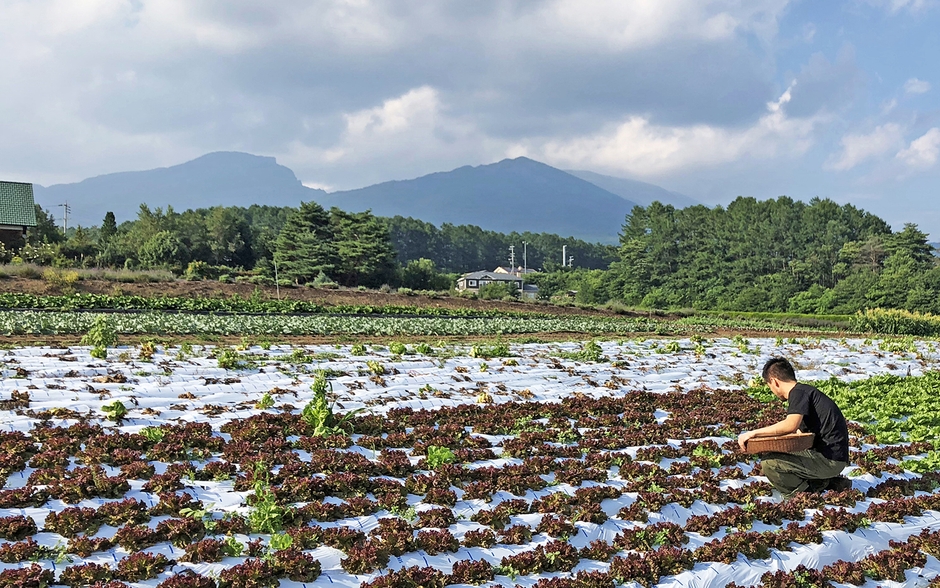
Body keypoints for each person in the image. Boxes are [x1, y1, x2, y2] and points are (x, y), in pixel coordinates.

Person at [738, 357, 852, 498]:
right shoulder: (805, 391)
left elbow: (790, 426)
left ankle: (802, 495)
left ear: (774, 381)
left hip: (829, 460)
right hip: (833, 457)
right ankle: (829, 483)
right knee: (780, 456)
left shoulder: (798, 393)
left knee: (770, 463)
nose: (771, 390)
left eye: (769, 386)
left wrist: (753, 434)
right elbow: (798, 435)